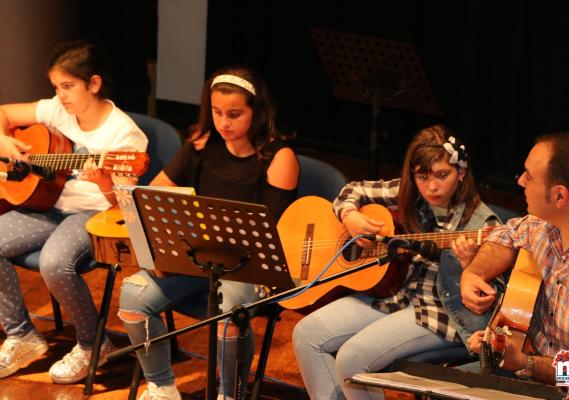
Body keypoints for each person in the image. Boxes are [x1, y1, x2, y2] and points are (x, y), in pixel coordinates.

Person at [117, 66, 299, 400]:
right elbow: (154, 197)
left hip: (248, 268)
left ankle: (231, 395)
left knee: (229, 309)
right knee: (132, 297)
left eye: (234, 114)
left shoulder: (279, 157)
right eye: (216, 113)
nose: (224, 123)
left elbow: (274, 235)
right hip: (198, 259)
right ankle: (162, 386)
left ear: (257, 113)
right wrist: (160, 250)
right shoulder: (201, 145)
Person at [292, 125, 501, 400]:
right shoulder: (409, 192)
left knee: (352, 358)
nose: (432, 186)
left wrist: (471, 267)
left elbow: (494, 297)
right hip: (396, 296)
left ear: (461, 173)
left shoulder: (483, 225)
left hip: (440, 312)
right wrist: (349, 216)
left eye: (442, 175)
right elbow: (351, 191)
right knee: (307, 334)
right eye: (422, 177)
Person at [0, 40, 148, 383]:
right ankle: (21, 335)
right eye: (56, 87)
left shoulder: (124, 135)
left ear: (93, 84)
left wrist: (104, 184)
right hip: (46, 206)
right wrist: (4, 140)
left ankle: (92, 343)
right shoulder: (56, 110)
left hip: (92, 215)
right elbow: (4, 113)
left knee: (54, 262)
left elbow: (122, 207)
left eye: (68, 87)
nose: (61, 96)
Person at [460, 132, 569, 399]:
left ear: (560, 196)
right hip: (527, 369)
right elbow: (506, 234)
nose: (520, 181)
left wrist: (525, 363)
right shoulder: (543, 225)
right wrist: (473, 273)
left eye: (529, 176)